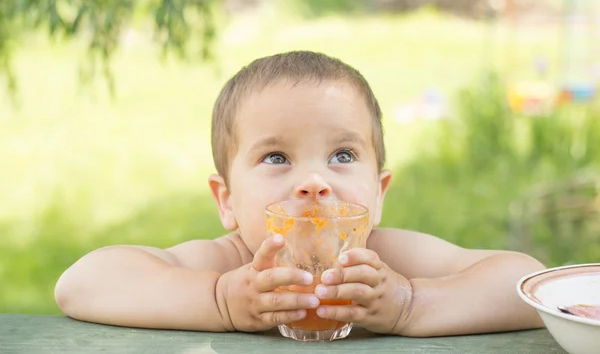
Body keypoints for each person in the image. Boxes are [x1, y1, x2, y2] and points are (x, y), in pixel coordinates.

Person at [55, 51, 544, 336]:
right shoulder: (224, 264)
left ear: (378, 194)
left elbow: (527, 283)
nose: (314, 182)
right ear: (225, 200)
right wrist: (221, 301)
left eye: (343, 156)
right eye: (275, 158)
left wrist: (410, 302)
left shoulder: (390, 259)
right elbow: (81, 283)